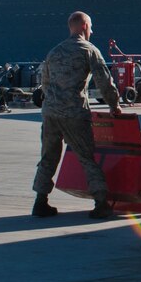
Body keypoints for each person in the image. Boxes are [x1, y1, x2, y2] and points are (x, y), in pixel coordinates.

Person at [29, 11, 125, 220]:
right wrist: (114, 105)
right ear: (84, 27)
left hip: (50, 112)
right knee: (86, 156)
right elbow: (104, 81)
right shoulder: (88, 50)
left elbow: (44, 83)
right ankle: (101, 202)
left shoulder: (54, 52)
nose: (92, 30)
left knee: (48, 157)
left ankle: (40, 201)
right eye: (90, 26)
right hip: (73, 113)